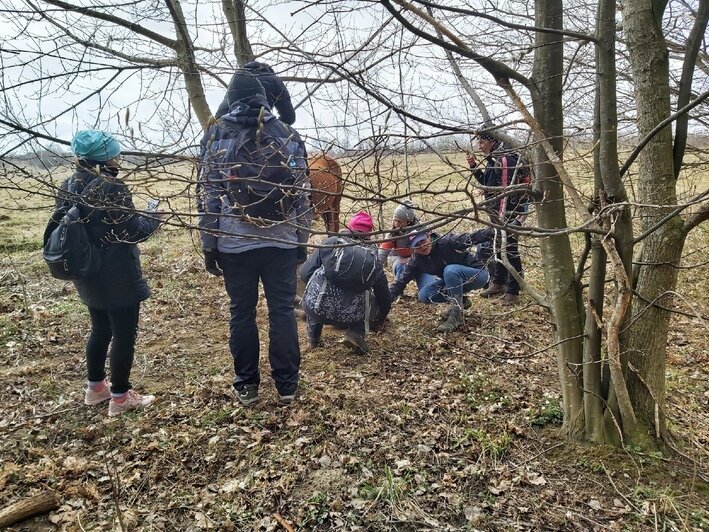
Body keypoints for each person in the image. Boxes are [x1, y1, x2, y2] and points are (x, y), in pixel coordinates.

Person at [198, 70, 310, 406]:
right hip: (282, 243)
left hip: (234, 245)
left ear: (231, 99)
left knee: (241, 313)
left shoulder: (216, 134)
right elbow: (303, 193)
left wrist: (209, 244)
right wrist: (301, 238)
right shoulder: (289, 134)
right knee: (282, 313)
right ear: (264, 97)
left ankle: (246, 385)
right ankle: (288, 385)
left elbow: (208, 194)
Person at [58, 130, 162, 416]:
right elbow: (131, 232)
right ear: (104, 158)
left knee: (100, 329)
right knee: (124, 334)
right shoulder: (112, 188)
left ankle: (95, 389)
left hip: (86, 271)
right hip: (117, 273)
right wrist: (154, 217)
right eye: (115, 154)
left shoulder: (68, 184)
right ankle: (120, 397)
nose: (119, 159)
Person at [300, 211, 391, 354]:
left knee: (318, 288)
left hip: (318, 309)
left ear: (349, 227)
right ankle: (355, 333)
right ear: (370, 233)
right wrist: (380, 318)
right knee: (369, 295)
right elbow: (384, 295)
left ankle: (314, 338)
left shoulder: (331, 243)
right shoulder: (372, 258)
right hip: (350, 315)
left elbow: (305, 272)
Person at [466, 132, 530, 305]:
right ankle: (499, 283)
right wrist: (473, 166)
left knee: (509, 249)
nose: (479, 145)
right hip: (497, 214)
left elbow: (505, 194)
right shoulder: (494, 159)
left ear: (493, 142)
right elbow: (487, 184)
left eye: (482, 141)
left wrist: (501, 220)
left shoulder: (505, 160)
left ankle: (513, 292)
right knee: (497, 247)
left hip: (507, 214)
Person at [389, 231, 490, 333]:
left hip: (477, 274)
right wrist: (385, 300)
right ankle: (462, 301)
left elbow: (471, 237)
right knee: (425, 295)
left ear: (428, 236)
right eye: (417, 245)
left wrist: (495, 231)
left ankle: (456, 316)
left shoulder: (446, 242)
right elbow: (400, 282)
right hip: (454, 282)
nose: (422, 246)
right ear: (412, 248)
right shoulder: (416, 259)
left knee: (450, 270)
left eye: (423, 241)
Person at [377, 200, 436, 293]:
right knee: (402, 266)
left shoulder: (421, 231)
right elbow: (381, 254)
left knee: (429, 292)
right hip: (400, 259)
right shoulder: (392, 234)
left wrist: (411, 258)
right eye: (395, 220)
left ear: (408, 222)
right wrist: (372, 268)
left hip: (421, 260)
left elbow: (429, 249)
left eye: (399, 221)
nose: (396, 223)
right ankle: (398, 291)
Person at [215, 61, 296, 125]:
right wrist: (275, 127)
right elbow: (289, 117)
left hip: (233, 126)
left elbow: (221, 112)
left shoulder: (237, 78)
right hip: (262, 127)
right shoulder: (274, 80)